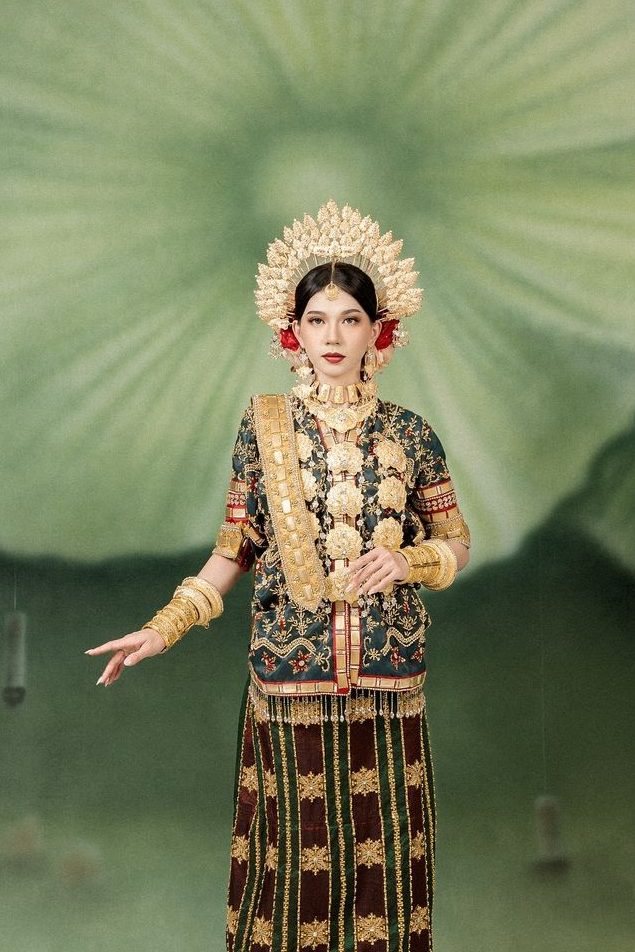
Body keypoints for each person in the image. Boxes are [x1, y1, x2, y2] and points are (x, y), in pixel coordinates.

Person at [86, 200, 471, 952]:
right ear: (291, 330)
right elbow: (234, 550)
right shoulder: (262, 428)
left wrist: (409, 560)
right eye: (317, 319)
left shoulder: (411, 433)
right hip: (289, 678)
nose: (333, 336)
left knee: (391, 865)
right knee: (293, 867)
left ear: (380, 330)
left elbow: (455, 541)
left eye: (350, 319)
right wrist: (162, 629)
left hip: (389, 679)